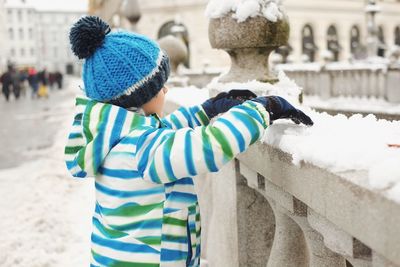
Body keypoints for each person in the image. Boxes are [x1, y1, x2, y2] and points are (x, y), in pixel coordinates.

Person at [64, 16, 313, 267]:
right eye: (160, 86)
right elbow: (210, 146)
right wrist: (261, 110)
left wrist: (206, 110)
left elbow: (166, 133)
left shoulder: (115, 138)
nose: (166, 91)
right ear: (138, 96)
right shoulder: (143, 148)